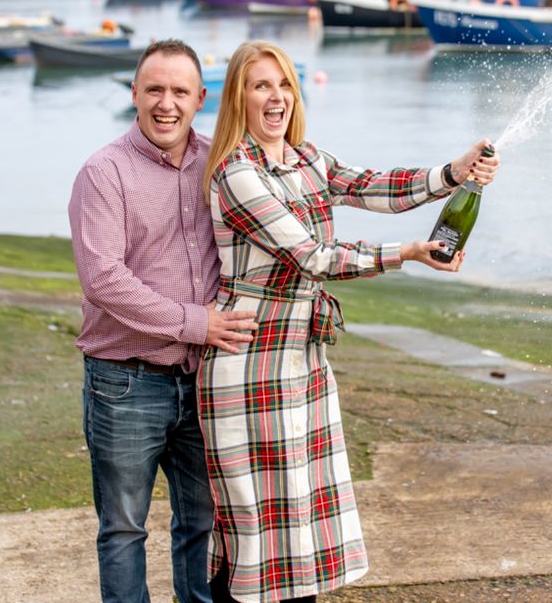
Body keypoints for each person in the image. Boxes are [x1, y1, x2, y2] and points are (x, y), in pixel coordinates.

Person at [198, 40, 500, 603]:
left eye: (284, 84)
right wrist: (406, 253)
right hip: (247, 366)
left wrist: (453, 174)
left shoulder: (306, 158)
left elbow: (372, 186)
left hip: (303, 360)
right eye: (261, 85)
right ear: (236, 95)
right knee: (251, 535)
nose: (276, 97)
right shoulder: (235, 173)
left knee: (303, 530)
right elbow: (311, 256)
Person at [68, 38, 259, 603]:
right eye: (154, 89)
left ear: (203, 98)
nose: (166, 103)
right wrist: (196, 322)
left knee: (202, 525)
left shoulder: (222, 164)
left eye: (180, 91)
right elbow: (103, 279)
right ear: (134, 93)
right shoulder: (103, 173)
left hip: (204, 381)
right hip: (124, 382)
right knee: (124, 529)